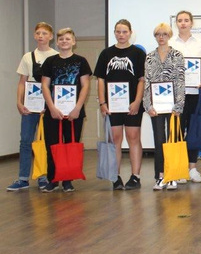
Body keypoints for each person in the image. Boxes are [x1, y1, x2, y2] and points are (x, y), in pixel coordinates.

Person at [94, 19, 146, 190]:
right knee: (115, 139)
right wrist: (102, 102)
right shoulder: (106, 54)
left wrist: (137, 101)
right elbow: (100, 80)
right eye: (118, 31)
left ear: (130, 33)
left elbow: (142, 79)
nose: (121, 35)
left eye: (124, 31)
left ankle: (135, 177)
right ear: (114, 33)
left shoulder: (138, 53)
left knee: (133, 138)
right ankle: (115, 177)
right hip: (112, 106)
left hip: (132, 104)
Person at [7, 22, 58, 191]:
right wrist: (19, 102)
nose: (41, 36)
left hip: (48, 106)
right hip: (30, 106)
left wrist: (51, 105)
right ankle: (23, 178)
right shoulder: (28, 57)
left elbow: (57, 84)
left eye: (44, 33)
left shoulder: (56, 56)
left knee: (47, 141)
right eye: (38, 33)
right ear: (34, 35)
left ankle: (44, 176)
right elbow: (22, 82)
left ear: (50, 36)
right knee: (26, 141)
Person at [40, 28, 92, 193]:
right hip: (53, 112)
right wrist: (51, 108)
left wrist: (77, 108)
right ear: (57, 42)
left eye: (67, 39)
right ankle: (53, 179)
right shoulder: (50, 61)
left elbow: (85, 86)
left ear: (74, 42)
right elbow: (45, 86)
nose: (64, 41)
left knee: (71, 145)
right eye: (61, 39)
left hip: (74, 113)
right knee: (52, 145)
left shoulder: (81, 61)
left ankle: (68, 180)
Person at [170, 10, 201, 184]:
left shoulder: (200, 44)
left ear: (192, 23)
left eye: (186, 20)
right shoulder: (170, 43)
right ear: (176, 23)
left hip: (197, 94)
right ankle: (179, 169)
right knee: (177, 131)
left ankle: (192, 168)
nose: (183, 23)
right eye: (180, 20)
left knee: (194, 130)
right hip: (177, 96)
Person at [143, 23, 186, 191]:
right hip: (156, 107)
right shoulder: (149, 57)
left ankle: (172, 175)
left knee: (172, 140)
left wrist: (179, 105)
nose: (161, 37)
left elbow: (180, 81)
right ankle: (160, 176)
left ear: (169, 36)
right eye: (158, 34)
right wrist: (148, 105)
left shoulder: (177, 55)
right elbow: (147, 82)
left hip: (173, 105)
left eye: (164, 34)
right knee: (159, 140)